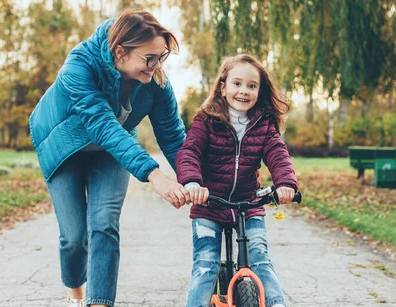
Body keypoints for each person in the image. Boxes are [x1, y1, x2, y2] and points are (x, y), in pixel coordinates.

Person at [29, 9, 191, 307]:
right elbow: (103, 125)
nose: (156, 66)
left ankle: (100, 302)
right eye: (149, 58)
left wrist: (194, 178)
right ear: (121, 52)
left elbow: (172, 135)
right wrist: (155, 175)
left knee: (103, 222)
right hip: (64, 146)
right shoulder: (79, 66)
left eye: (161, 57)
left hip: (112, 150)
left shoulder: (155, 82)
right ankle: (76, 288)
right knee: (74, 238)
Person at [175, 54, 298, 307]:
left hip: (249, 204)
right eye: (237, 83)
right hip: (208, 204)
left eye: (252, 86)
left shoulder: (263, 124)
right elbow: (190, 152)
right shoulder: (207, 120)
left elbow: (277, 153)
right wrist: (193, 185)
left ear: (259, 91)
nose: (244, 91)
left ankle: (277, 304)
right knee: (205, 264)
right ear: (223, 87)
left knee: (260, 258)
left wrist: (285, 183)